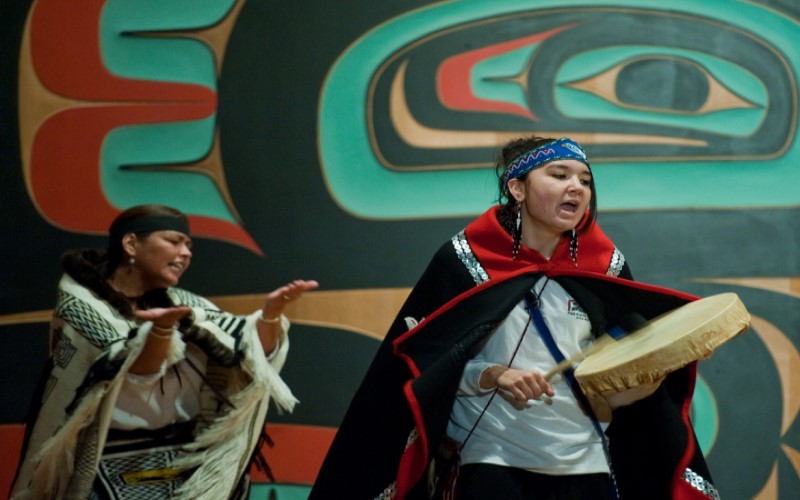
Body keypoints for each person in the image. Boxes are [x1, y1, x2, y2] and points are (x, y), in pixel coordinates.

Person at [309, 137, 719, 499]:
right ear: (517, 188)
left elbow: (608, 391)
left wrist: (643, 382)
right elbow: (425, 368)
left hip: (587, 465)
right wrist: (492, 375)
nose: (576, 186)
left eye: (585, 180)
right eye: (559, 174)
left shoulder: (603, 269)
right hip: (492, 462)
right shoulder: (467, 262)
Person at [10, 204, 318, 499]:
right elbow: (129, 369)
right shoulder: (80, 306)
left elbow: (247, 354)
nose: (185, 253)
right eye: (174, 241)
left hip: (182, 456)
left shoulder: (188, 306)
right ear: (131, 244)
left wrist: (270, 316)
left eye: (189, 246)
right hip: (107, 458)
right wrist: (159, 332)